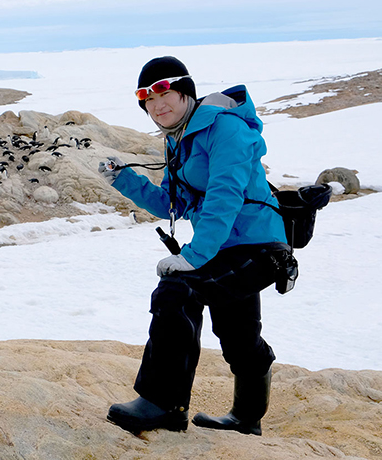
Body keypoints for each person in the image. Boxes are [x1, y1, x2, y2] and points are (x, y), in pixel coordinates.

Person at [99, 56, 295, 435]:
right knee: (237, 334)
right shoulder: (181, 141)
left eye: (163, 92)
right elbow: (171, 204)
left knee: (178, 291)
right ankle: (246, 419)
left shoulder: (226, 129)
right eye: (146, 99)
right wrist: (123, 179)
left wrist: (192, 256)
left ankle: (163, 404)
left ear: (185, 91)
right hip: (224, 246)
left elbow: (225, 195)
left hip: (259, 246)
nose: (156, 104)